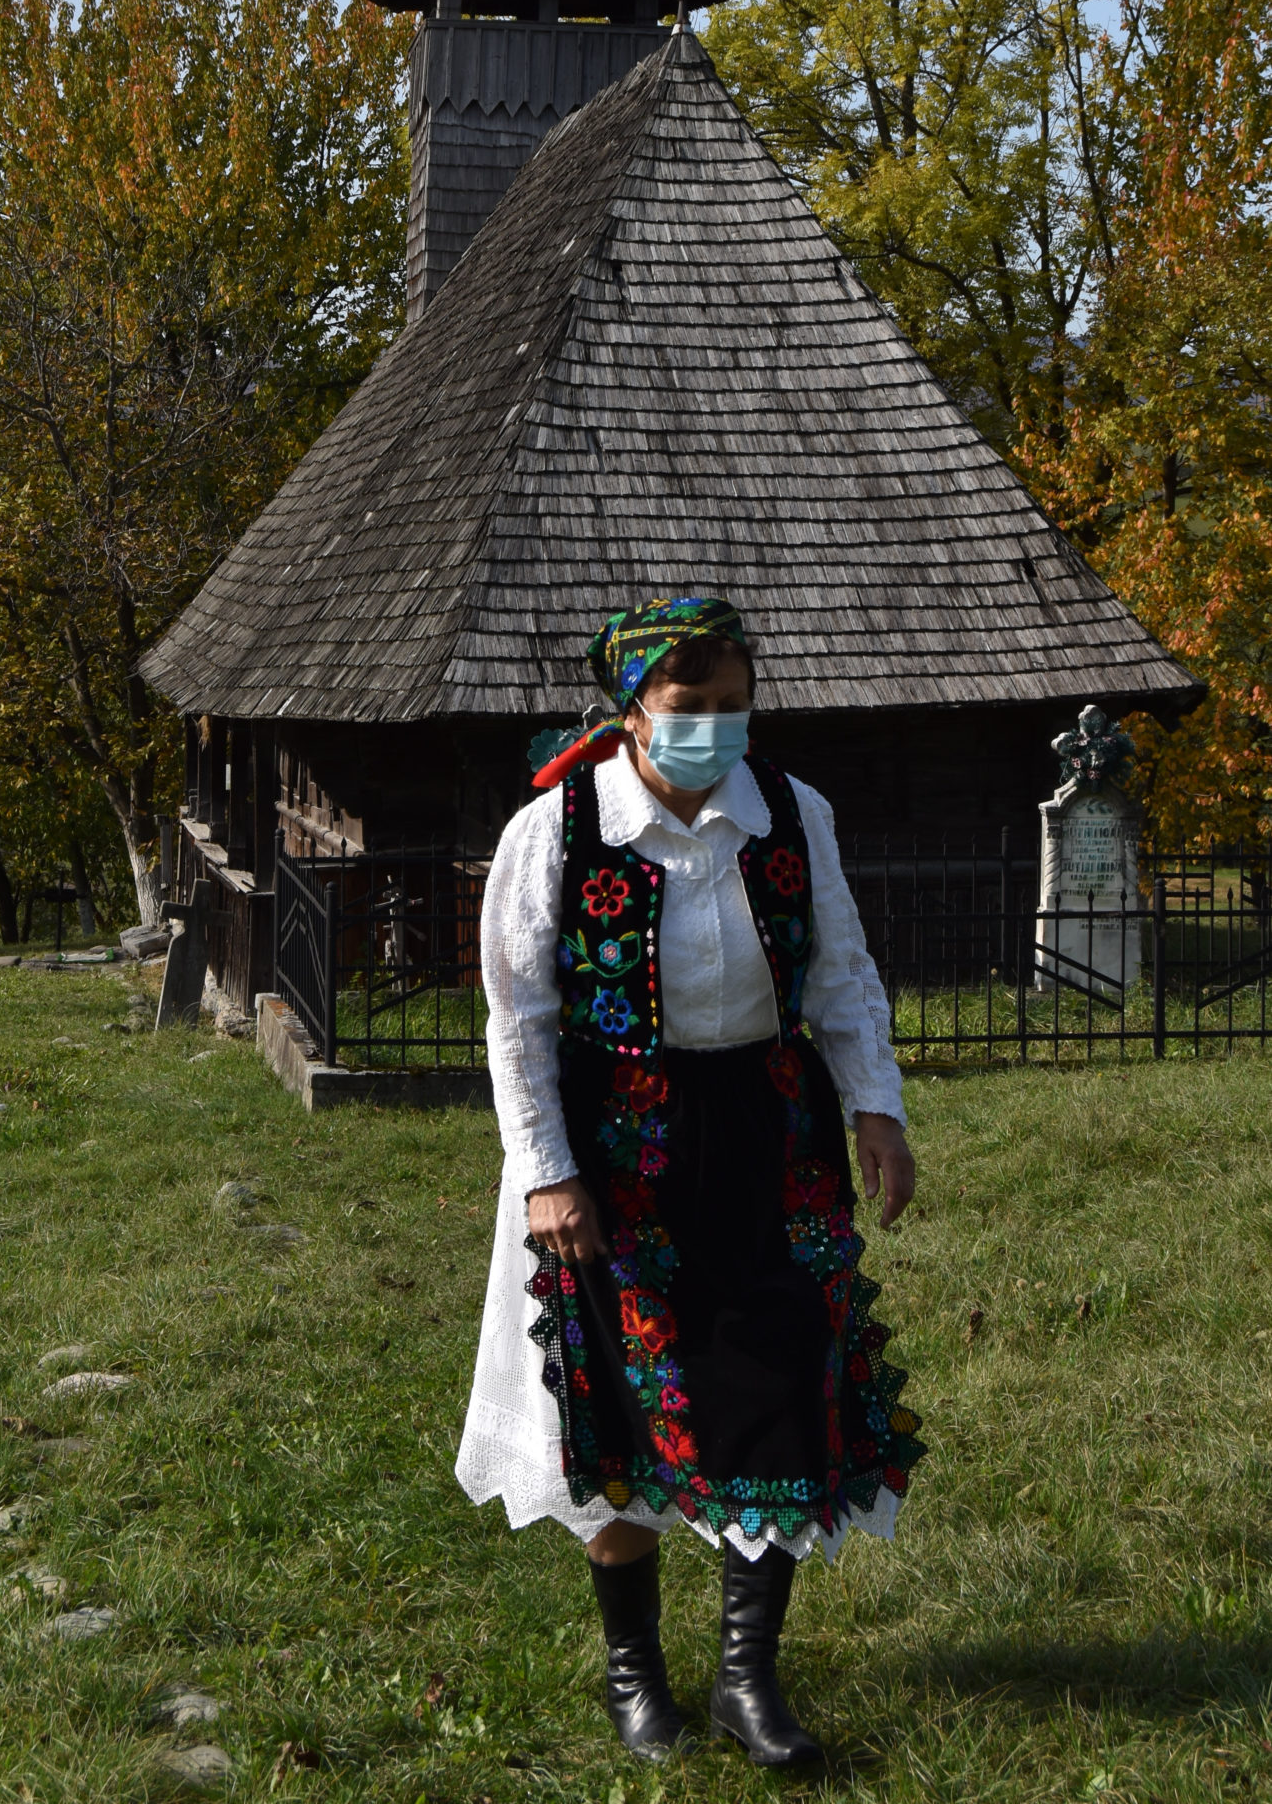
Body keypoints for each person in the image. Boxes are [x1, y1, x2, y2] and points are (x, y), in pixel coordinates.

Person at [456, 595, 922, 1768]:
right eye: (687, 706)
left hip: (766, 1134)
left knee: (774, 1381)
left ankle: (746, 1681)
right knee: (620, 1401)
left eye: (732, 704)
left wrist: (877, 1106)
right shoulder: (558, 829)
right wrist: (547, 1174)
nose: (713, 726)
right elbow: (517, 1022)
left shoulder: (790, 816)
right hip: (618, 1150)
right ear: (632, 712)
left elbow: (845, 973)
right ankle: (636, 1674)